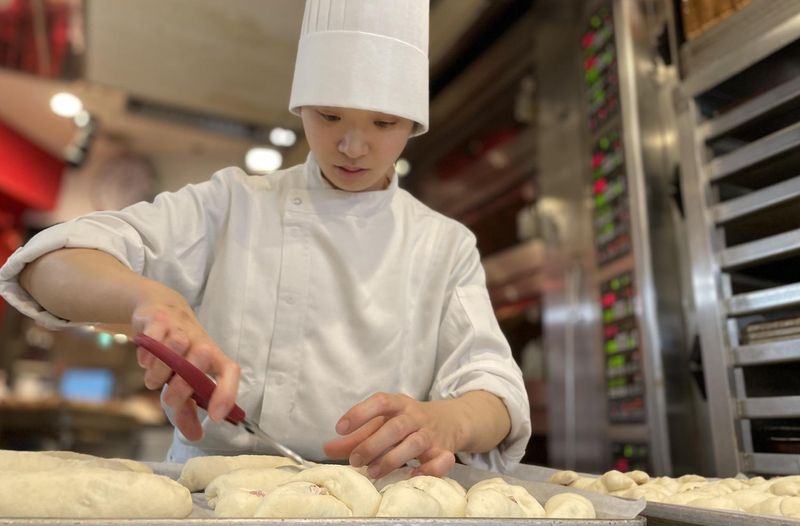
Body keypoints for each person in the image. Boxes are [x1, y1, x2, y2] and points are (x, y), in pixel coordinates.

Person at [0, 0, 531, 478]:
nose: (352, 145)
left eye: (383, 123)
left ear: (412, 124)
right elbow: (47, 265)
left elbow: (497, 393)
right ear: (301, 107)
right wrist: (147, 300)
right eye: (328, 116)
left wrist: (449, 421)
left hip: (374, 501)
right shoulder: (234, 204)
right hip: (212, 496)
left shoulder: (444, 244)